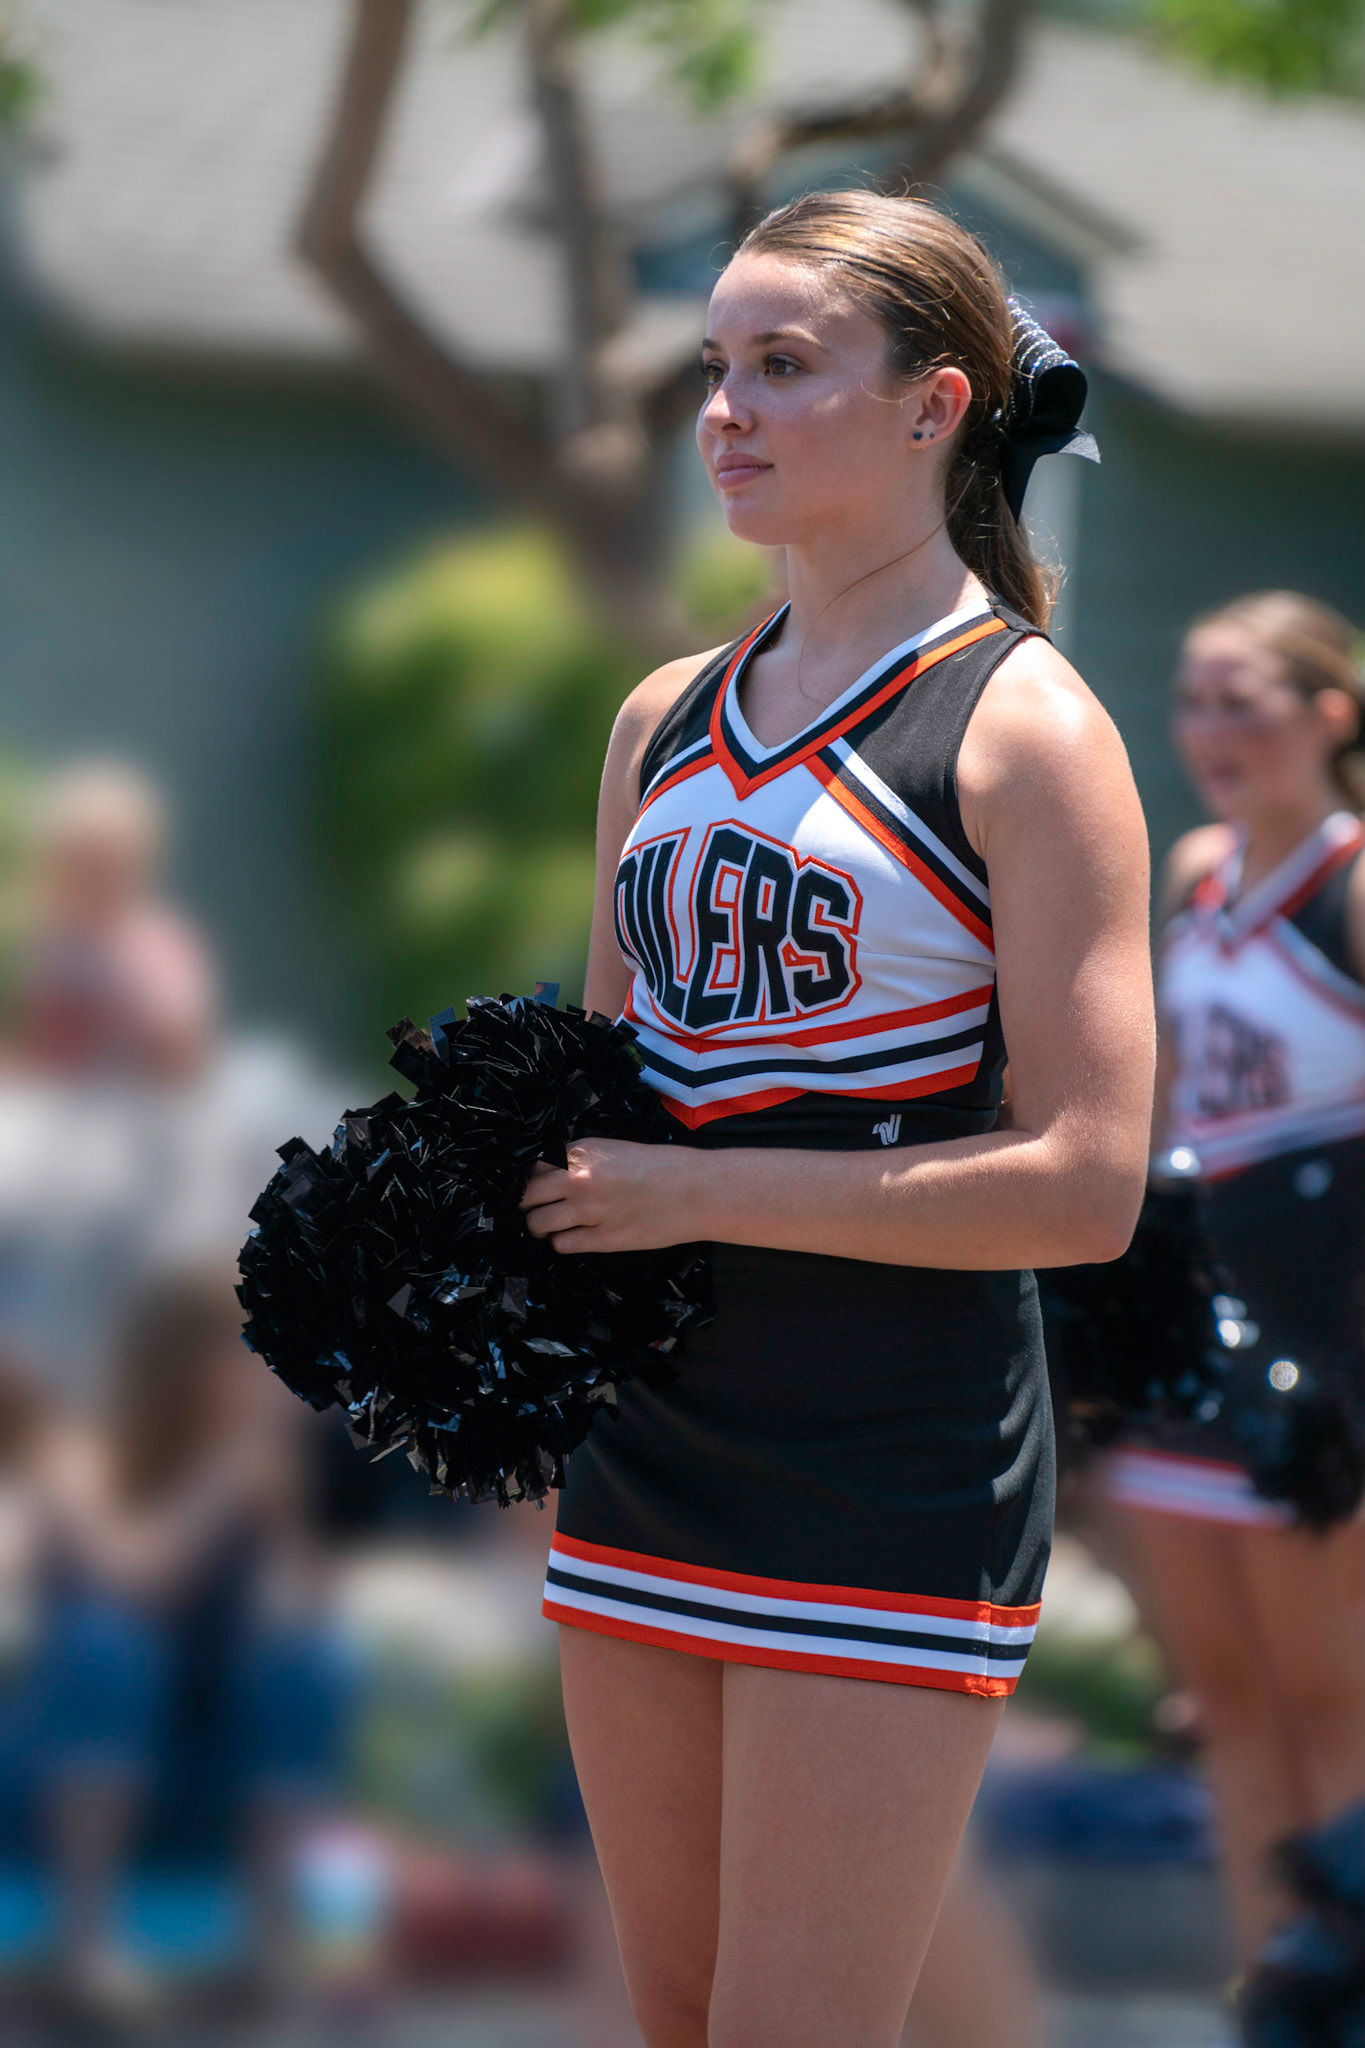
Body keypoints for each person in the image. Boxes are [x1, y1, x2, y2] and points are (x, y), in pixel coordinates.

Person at [518, 188, 1153, 2048]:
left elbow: (1087, 1181)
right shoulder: (663, 716)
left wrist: (683, 1192)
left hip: (889, 1452)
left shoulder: (1027, 727)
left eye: (784, 365)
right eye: (716, 365)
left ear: (935, 405)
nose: (726, 407)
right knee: (680, 2012)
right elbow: (590, 1094)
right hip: (647, 1436)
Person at [1106, 591, 1365, 1965]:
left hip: (1322, 1357)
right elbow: (1159, 1119)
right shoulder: (1194, 868)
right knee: (1227, 1699)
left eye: (1244, 697)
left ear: (1331, 711)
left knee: (1335, 1702)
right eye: (1195, 699)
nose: (1211, 728)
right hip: (1192, 1346)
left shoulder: (1355, 884)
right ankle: (1277, 1984)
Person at [5, 1268, 354, 2023]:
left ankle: (269, 1952)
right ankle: (87, 1943)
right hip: (64, 1767)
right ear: (180, 1364)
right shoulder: (77, 1458)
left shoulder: (254, 1473)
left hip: (198, 1763)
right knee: (108, 1644)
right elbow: (133, 1578)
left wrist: (282, 1527)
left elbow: (300, 1614)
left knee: (306, 1663)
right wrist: (223, 1488)